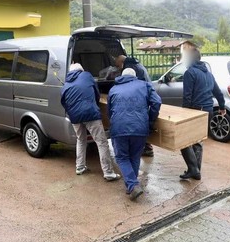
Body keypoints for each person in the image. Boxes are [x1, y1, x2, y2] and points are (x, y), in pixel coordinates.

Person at [107, 68, 162, 201]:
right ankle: (131, 185)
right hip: (140, 128)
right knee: (135, 155)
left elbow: (109, 112)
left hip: (119, 128)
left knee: (122, 157)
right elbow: (157, 102)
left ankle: (132, 184)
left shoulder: (113, 89)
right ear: (135, 76)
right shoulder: (144, 85)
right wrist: (150, 120)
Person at [60, 63, 121, 181]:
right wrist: (94, 105)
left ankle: (80, 167)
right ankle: (108, 172)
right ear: (81, 70)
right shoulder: (86, 75)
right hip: (90, 113)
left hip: (74, 117)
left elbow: (63, 102)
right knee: (101, 142)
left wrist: (72, 112)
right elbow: (96, 93)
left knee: (81, 140)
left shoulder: (66, 84)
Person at [180, 48, 226, 180]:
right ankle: (196, 170)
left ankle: (193, 169)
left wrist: (184, 113)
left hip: (195, 110)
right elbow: (218, 92)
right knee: (197, 141)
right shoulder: (209, 74)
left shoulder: (190, 73)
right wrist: (222, 107)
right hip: (208, 110)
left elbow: (187, 96)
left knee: (183, 141)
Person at [115, 54, 155, 157]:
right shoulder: (136, 64)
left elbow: (132, 86)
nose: (119, 69)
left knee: (137, 122)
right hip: (144, 95)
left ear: (122, 63)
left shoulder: (130, 68)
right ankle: (146, 147)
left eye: (118, 66)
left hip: (140, 97)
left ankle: (147, 147)